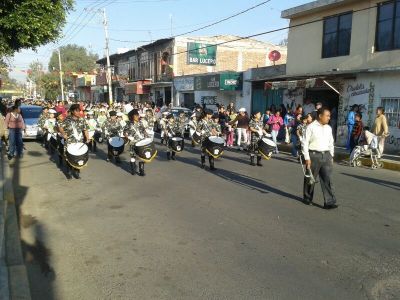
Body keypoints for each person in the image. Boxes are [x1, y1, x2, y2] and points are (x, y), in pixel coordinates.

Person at [302, 107, 337, 209]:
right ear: (320, 116)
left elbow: (331, 142)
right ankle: (307, 198)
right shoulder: (311, 127)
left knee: (327, 179)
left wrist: (331, 155)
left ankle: (329, 202)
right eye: (327, 116)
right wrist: (307, 158)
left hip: (326, 155)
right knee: (310, 178)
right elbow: (305, 143)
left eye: (329, 116)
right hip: (313, 155)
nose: (329, 118)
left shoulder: (328, 128)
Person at [58, 104, 90, 179]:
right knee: (69, 157)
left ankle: (76, 172)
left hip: (79, 142)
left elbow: (85, 130)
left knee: (79, 157)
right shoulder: (66, 120)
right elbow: (60, 127)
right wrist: (63, 134)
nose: (78, 112)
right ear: (72, 111)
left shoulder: (82, 120)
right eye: (76, 111)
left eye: (79, 111)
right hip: (70, 142)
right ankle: (68, 171)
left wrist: (88, 138)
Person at [124, 109, 147, 176]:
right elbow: (124, 132)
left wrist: (146, 135)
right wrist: (128, 137)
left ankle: (141, 171)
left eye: (137, 115)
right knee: (133, 156)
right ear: (132, 116)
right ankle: (133, 170)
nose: (137, 116)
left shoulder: (140, 123)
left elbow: (143, 130)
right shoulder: (128, 124)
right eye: (136, 115)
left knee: (141, 156)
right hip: (133, 142)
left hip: (140, 142)